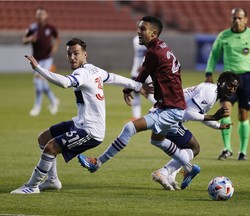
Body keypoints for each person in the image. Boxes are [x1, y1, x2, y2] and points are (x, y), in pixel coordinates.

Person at [10, 38, 151, 194]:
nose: (72, 57)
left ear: (85, 54)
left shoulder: (82, 73)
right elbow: (113, 77)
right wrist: (137, 85)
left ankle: (32, 186)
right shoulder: (94, 70)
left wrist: (38, 68)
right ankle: (52, 181)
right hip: (79, 123)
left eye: (76, 53)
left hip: (90, 131)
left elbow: (64, 83)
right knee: (43, 138)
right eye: (69, 54)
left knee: (51, 147)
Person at [79, 16, 204, 190]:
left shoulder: (153, 52)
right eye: (138, 28)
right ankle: (190, 167)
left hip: (170, 108)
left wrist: (129, 88)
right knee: (157, 141)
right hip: (171, 105)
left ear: (154, 33)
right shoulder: (162, 46)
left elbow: (140, 77)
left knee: (130, 128)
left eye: (143, 29)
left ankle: (97, 162)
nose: (139, 31)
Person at [205, 8, 250, 161]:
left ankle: (242, 151)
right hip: (229, 78)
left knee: (243, 114)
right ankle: (227, 148)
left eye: (240, 18)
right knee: (225, 110)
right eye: (234, 18)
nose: (237, 21)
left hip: (248, 77)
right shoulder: (223, 36)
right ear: (231, 19)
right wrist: (209, 72)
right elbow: (214, 54)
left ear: (246, 19)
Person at [152, 72, 240, 190]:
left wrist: (217, 125)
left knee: (186, 148)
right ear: (220, 82)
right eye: (230, 85)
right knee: (194, 147)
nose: (232, 89)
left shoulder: (212, 91)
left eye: (235, 87)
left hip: (165, 113)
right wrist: (213, 117)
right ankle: (163, 172)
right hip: (167, 116)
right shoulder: (209, 94)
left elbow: (198, 114)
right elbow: (189, 113)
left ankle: (170, 176)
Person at [23, 7, 60, 116]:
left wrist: (55, 48)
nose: (40, 16)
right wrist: (29, 39)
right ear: (36, 16)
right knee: (42, 82)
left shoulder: (51, 28)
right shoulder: (32, 28)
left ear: (46, 15)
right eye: (38, 14)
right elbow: (23, 40)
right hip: (36, 60)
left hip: (47, 59)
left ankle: (37, 106)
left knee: (38, 80)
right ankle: (54, 101)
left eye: (42, 14)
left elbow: (57, 38)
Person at [130, 34, 156, 120]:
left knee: (146, 93)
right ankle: (136, 117)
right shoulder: (151, 39)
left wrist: (142, 65)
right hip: (142, 71)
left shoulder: (136, 39)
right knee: (142, 93)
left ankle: (162, 108)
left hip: (141, 71)